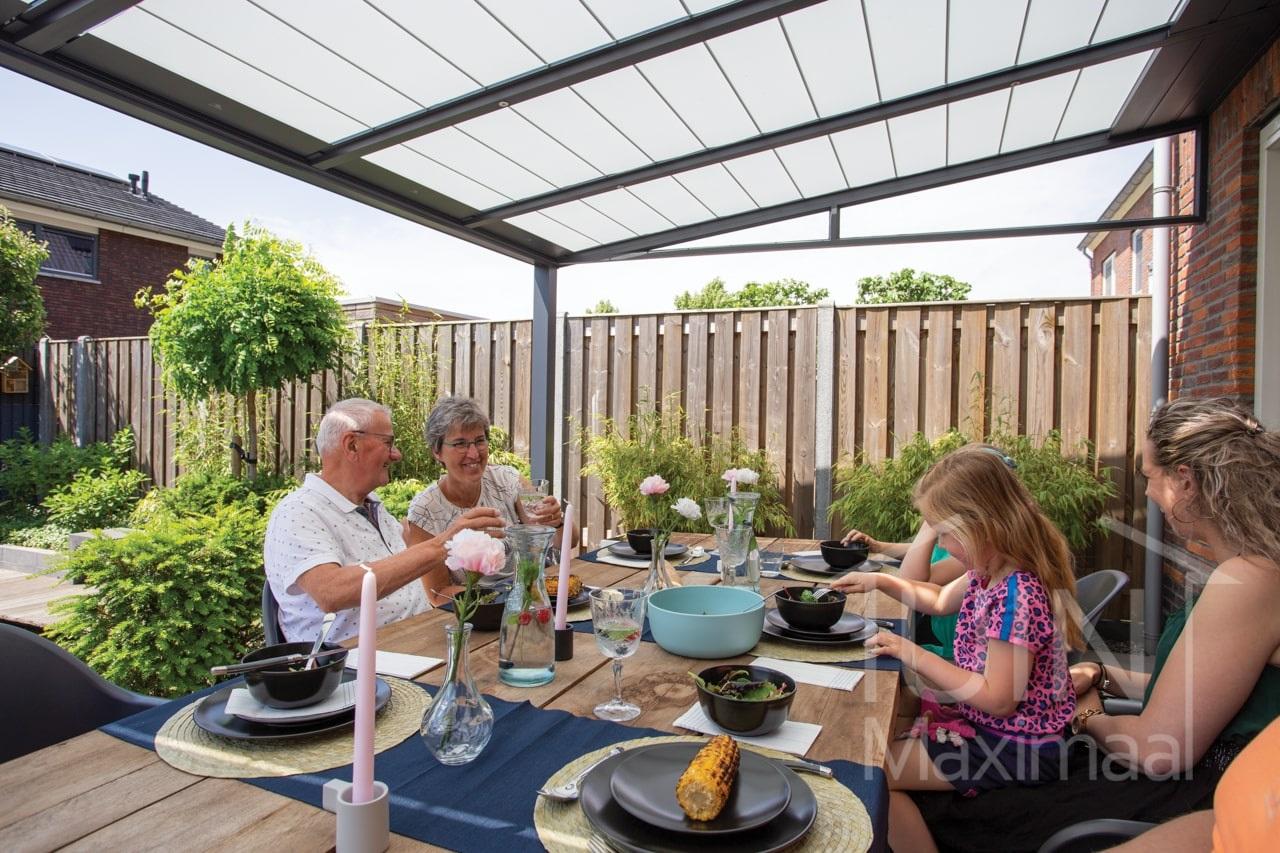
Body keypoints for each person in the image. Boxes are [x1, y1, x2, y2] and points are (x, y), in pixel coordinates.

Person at [912, 397, 1280, 853]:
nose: (1146, 492)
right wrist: (1101, 675)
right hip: (1188, 774)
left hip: (1201, 795)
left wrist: (1087, 716)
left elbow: (1159, 751)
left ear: (1184, 480)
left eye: (1149, 477)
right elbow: (1197, 692)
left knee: (944, 807)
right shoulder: (1253, 570)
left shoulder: (1248, 580)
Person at [833, 444, 1080, 853]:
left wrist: (910, 652)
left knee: (874, 771)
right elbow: (937, 600)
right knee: (878, 736)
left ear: (983, 523)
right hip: (996, 732)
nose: (942, 543)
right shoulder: (989, 570)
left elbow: (999, 699)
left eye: (945, 532)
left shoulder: (1016, 594)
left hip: (1016, 748)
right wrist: (881, 582)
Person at [264, 398, 502, 644]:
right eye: (388, 443)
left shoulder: (373, 508)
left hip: (424, 643)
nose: (397, 454)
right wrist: (444, 544)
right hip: (360, 668)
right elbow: (331, 592)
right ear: (352, 445)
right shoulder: (298, 512)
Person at [405, 397, 578, 591]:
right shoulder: (426, 512)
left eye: (479, 441)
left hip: (531, 595)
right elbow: (438, 593)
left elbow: (566, 542)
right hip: (473, 613)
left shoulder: (508, 481)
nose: (473, 453)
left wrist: (556, 521)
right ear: (437, 451)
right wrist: (498, 603)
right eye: (460, 444)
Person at [842, 521, 967, 660]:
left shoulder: (969, 561)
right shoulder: (973, 565)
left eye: (943, 533)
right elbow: (933, 552)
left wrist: (931, 522)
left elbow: (912, 578)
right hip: (949, 644)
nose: (942, 542)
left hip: (953, 652)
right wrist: (879, 547)